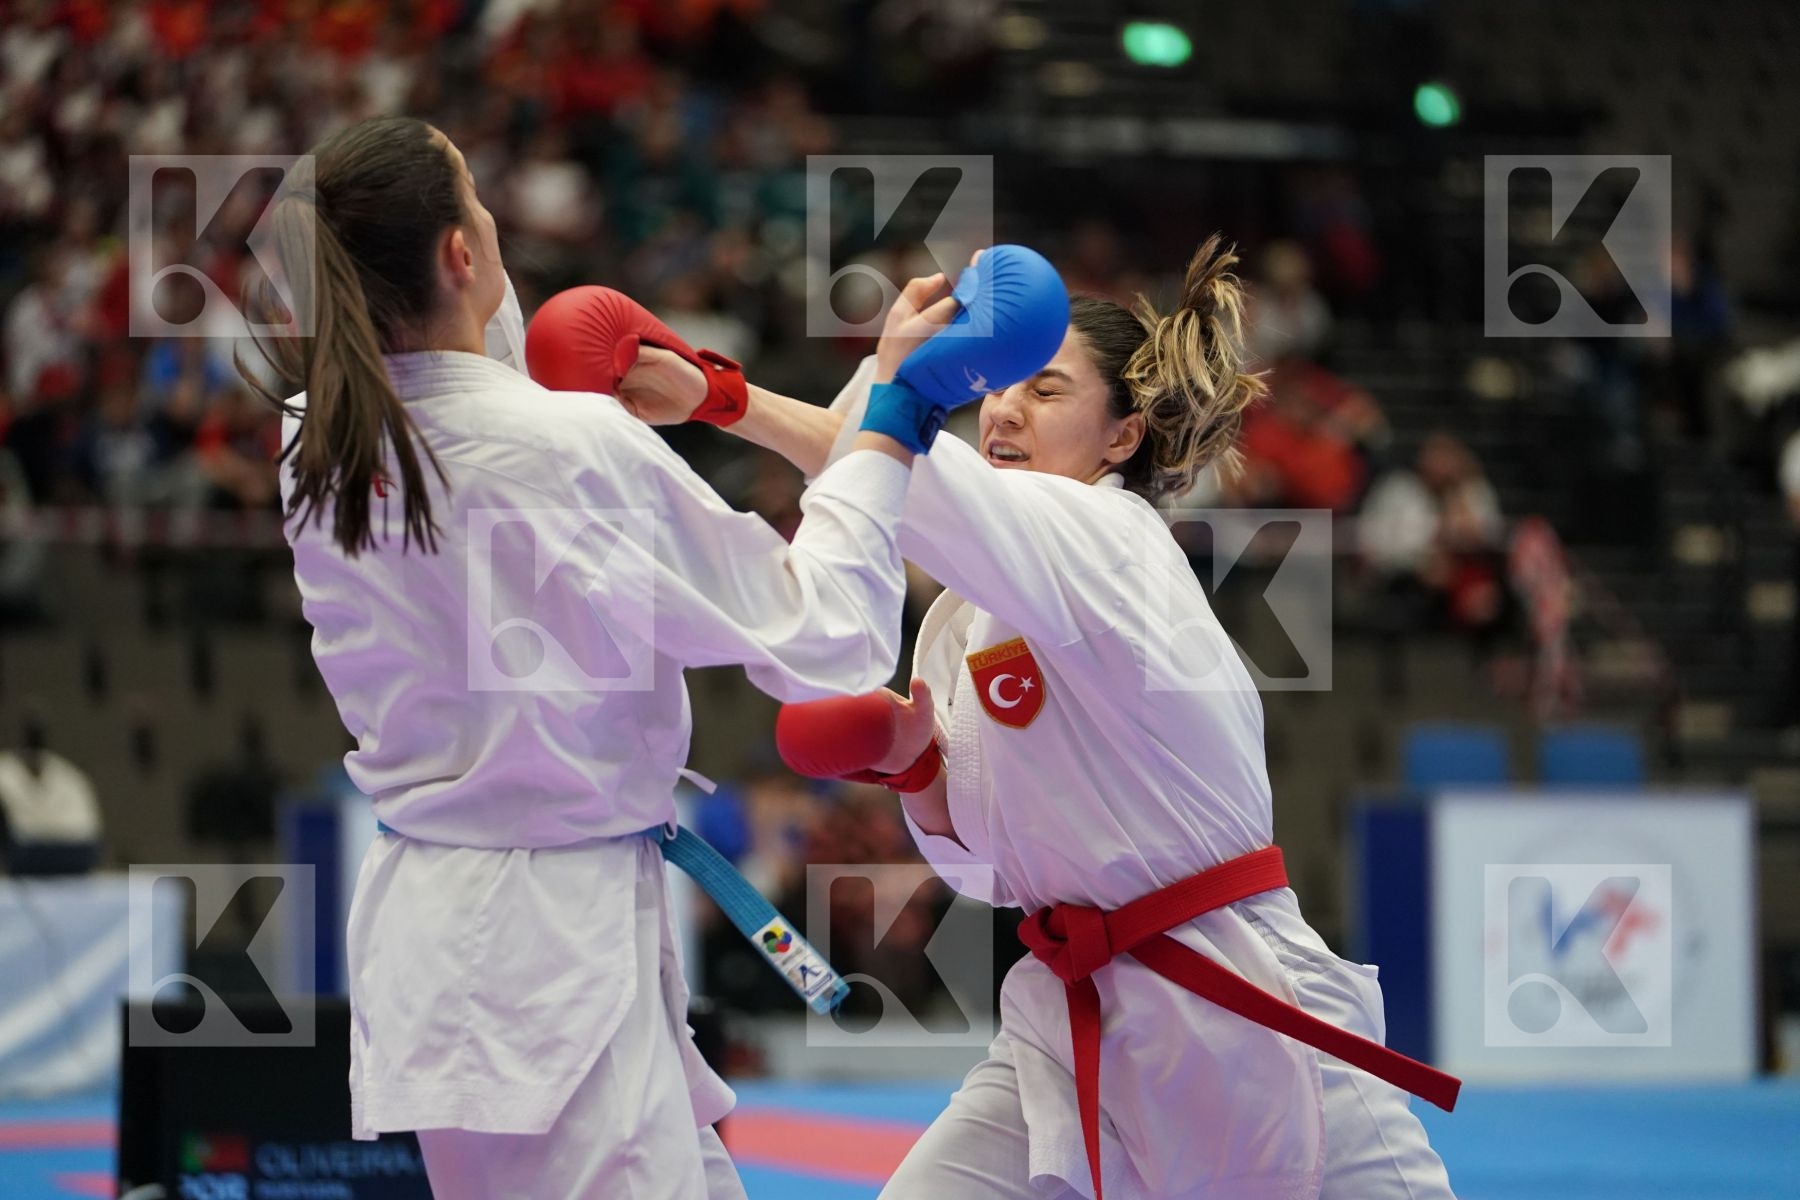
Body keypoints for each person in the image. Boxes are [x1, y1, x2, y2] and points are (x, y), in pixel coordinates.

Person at [624, 238, 1458, 1199]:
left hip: (1241, 1004)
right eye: (995, 388)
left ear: (1122, 438)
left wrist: (728, 397)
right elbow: (983, 873)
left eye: (1046, 390)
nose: (1004, 409)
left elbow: (906, 478)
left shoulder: (1112, 541)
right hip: (1070, 1014)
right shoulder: (960, 621)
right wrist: (918, 774)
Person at [241, 114, 944, 1200]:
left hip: (448, 932)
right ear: (461, 252)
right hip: (549, 958)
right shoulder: (569, 447)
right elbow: (826, 637)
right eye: (477, 202)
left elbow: (468, 389)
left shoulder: (312, 436)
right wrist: (890, 409)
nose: (493, 223)